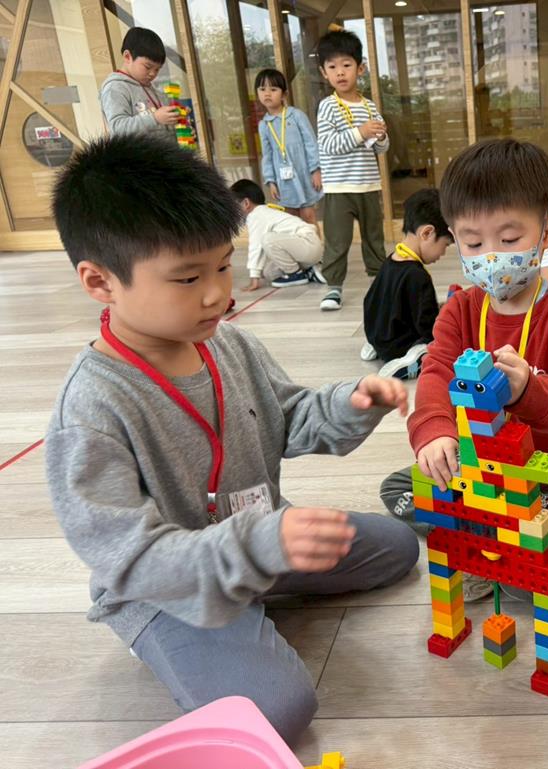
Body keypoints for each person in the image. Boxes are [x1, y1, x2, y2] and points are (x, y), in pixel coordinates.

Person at [46, 135, 419, 745]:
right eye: (187, 277)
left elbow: (287, 417)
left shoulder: (228, 342)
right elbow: (130, 557)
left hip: (255, 542)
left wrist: (349, 403)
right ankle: (172, 638)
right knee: (279, 711)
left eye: (222, 265)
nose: (218, 292)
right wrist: (260, 546)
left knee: (398, 547)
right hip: (164, 588)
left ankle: (257, 585)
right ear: (100, 281)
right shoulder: (90, 410)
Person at [378, 138, 548, 601]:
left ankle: (491, 537)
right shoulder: (460, 310)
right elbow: (437, 372)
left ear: (547, 231)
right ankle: (481, 530)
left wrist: (530, 391)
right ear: (453, 236)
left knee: (526, 582)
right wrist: (434, 431)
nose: (490, 256)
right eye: (472, 242)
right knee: (398, 487)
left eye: (508, 240)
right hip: (479, 469)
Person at [315, 30, 389, 312]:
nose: (340, 72)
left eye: (346, 65)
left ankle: (379, 282)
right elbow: (329, 145)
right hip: (339, 188)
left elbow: (381, 149)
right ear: (324, 73)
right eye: (332, 67)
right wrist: (360, 132)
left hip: (368, 185)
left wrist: (381, 136)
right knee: (337, 240)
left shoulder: (370, 107)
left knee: (374, 238)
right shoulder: (328, 107)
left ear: (360, 68)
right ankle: (333, 287)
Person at [361, 188, 453, 380]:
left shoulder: (390, 261)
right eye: (445, 245)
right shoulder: (418, 276)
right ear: (427, 233)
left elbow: (372, 300)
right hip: (399, 347)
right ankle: (409, 363)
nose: (443, 254)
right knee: (440, 348)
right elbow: (427, 325)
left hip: (377, 335)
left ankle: (375, 345)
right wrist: (444, 318)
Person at [230, 179, 326, 290]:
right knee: (269, 272)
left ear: (246, 203)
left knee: (267, 239)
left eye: (234, 205)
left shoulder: (256, 215)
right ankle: (309, 271)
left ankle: (296, 274)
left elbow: (255, 247)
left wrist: (254, 278)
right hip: (306, 249)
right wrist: (258, 272)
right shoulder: (263, 212)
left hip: (308, 244)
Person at [255, 68, 323, 225]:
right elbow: (267, 155)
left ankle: (314, 242)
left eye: (273, 89)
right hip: (283, 180)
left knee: (308, 216)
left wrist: (315, 170)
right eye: (262, 89)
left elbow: (311, 143)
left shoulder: (296, 115)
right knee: (290, 219)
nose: (267, 93)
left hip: (304, 174)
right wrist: (271, 181)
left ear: (284, 94)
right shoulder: (264, 125)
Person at [100, 27, 179, 144]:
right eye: (148, 67)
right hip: (139, 155)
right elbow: (118, 129)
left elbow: (160, 126)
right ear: (127, 57)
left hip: (164, 153)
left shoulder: (149, 87)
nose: (153, 74)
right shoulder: (115, 88)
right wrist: (155, 118)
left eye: (157, 69)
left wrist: (177, 123)